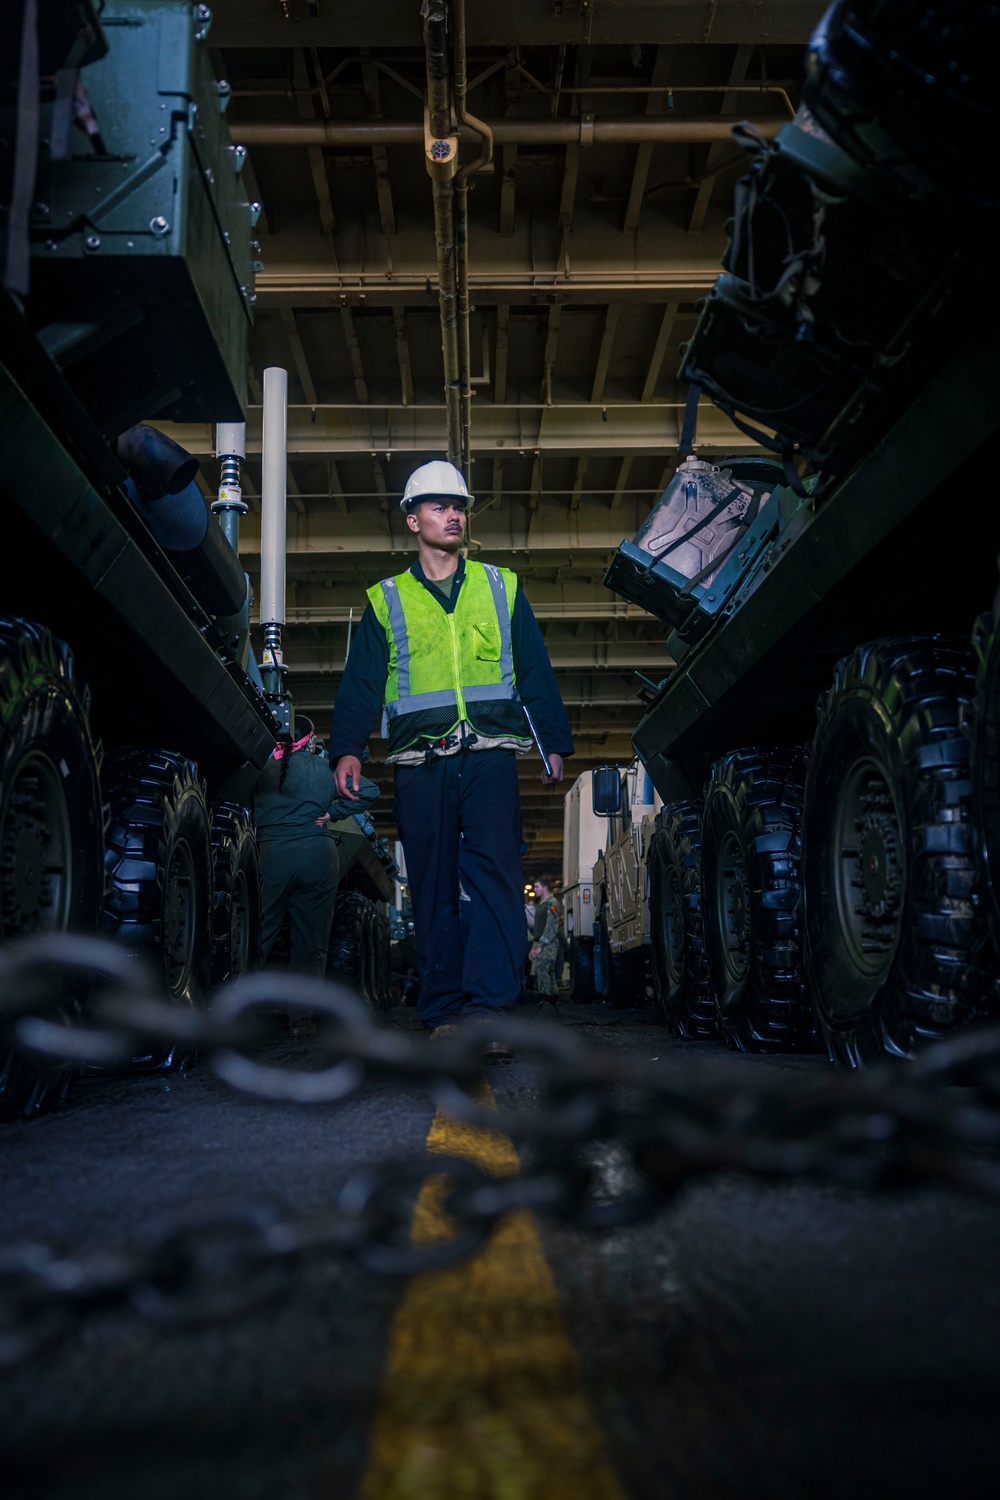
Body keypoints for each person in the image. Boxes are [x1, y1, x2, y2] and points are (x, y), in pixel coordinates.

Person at [328, 459, 573, 1052]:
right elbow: (362, 684)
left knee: (495, 879)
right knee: (432, 886)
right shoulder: (387, 600)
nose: (454, 515)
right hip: (420, 762)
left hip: (489, 754)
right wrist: (347, 750)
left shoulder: (500, 586)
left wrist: (552, 742)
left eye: (459, 506)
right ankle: (444, 1012)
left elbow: (533, 668)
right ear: (413, 521)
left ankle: (489, 1011)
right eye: (439, 507)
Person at [254, 714, 376, 1035]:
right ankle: (301, 1019)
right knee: (310, 943)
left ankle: (236, 1011)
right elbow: (370, 790)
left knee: (258, 933)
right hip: (318, 857)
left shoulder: (260, 769)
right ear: (308, 740)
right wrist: (332, 813)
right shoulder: (325, 769)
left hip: (271, 855)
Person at [529, 876, 562, 1000]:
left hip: (548, 942)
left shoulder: (552, 903)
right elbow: (538, 927)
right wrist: (534, 947)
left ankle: (545, 996)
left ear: (545, 888)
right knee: (549, 970)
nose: (534, 889)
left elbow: (552, 926)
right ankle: (553, 995)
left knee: (542, 967)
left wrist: (540, 945)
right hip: (539, 941)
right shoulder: (540, 904)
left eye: (536, 887)